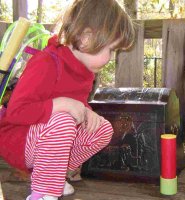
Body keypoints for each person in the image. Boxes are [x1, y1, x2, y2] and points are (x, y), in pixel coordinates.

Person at [0, 0, 135, 199]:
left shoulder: (84, 72)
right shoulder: (46, 62)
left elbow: (76, 107)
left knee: (102, 128)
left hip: (46, 137)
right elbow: (16, 112)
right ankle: (42, 193)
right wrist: (61, 104)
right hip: (18, 139)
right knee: (63, 119)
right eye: (111, 49)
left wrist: (85, 111)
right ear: (86, 38)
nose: (111, 57)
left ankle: (52, 176)